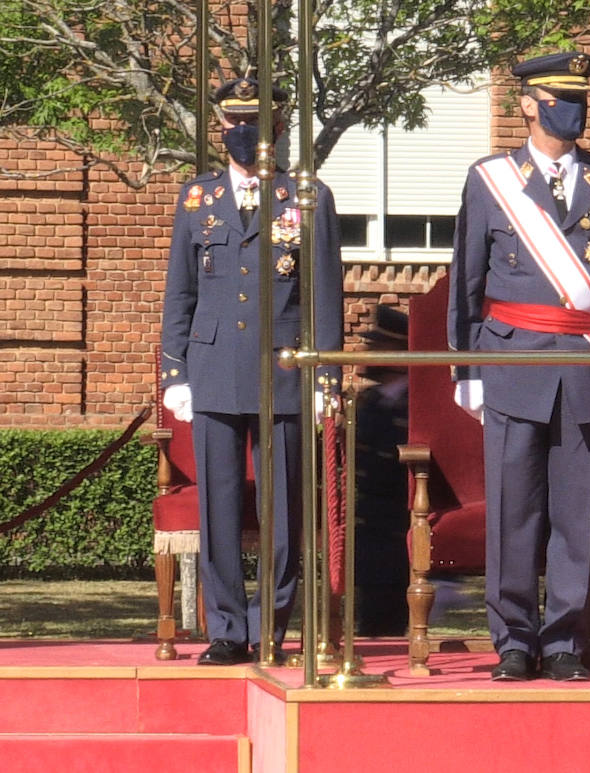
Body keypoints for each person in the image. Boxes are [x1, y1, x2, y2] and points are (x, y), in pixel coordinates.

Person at [448, 51, 590, 681]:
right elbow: (465, 279)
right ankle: (514, 637)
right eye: (559, 100)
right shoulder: (491, 180)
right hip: (512, 362)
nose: (573, 111)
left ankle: (568, 638)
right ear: (528, 104)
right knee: (513, 512)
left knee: (575, 514)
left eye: (579, 100)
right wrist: (465, 369)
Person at [160, 76, 344, 666]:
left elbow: (322, 297)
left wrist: (325, 379)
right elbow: (179, 294)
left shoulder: (308, 196)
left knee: (282, 513)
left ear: (279, 131)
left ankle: (271, 626)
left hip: (283, 369)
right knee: (218, 508)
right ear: (220, 130)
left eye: (255, 126)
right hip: (212, 367)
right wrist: (175, 374)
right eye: (234, 125)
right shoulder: (197, 199)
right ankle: (227, 630)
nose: (244, 135)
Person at [352, 305, 411, 637]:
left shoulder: (414, 402)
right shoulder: (371, 399)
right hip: (370, 522)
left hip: (398, 522)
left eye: (379, 347)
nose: (369, 354)